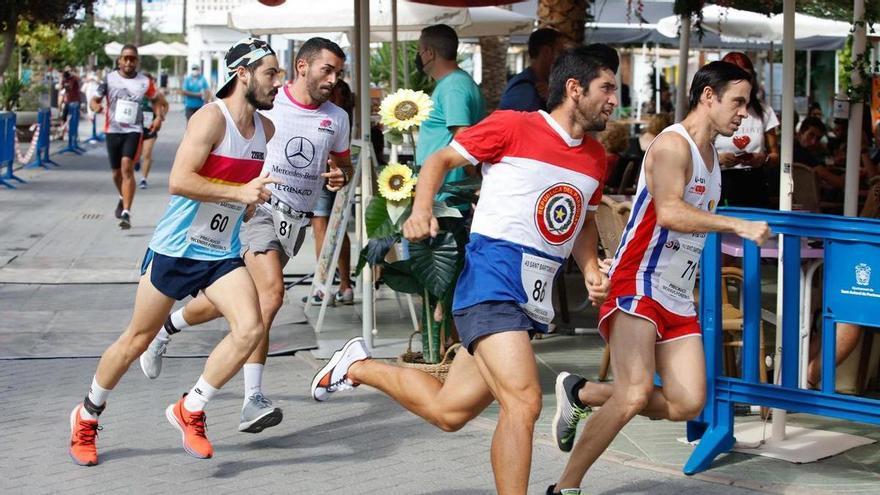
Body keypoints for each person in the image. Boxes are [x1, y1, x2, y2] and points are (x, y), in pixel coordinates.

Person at [312, 45, 620, 495]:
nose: (614, 98)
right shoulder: (513, 126)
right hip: (490, 282)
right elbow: (440, 159)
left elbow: (583, 219)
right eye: (606, 88)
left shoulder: (595, 157)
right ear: (574, 89)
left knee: (449, 412)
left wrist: (590, 265)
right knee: (524, 401)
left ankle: (357, 366)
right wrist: (421, 209)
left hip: (530, 300)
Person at [547, 61, 771, 495]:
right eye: (737, 101)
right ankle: (564, 488)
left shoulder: (712, 157)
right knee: (632, 395)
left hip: (676, 294)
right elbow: (669, 212)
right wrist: (737, 226)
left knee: (688, 401)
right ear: (708, 96)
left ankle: (584, 393)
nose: (744, 112)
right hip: (639, 282)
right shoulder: (673, 146)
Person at [68, 38, 282, 466]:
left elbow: (236, 192)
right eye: (271, 73)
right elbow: (180, 180)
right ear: (243, 75)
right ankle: (86, 416)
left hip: (219, 252)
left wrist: (253, 198)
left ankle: (192, 408)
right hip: (176, 249)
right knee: (135, 340)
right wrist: (240, 192)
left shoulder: (267, 130)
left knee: (251, 328)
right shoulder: (209, 119)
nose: (279, 82)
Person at [138, 37, 351, 434]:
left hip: (296, 222)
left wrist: (340, 177)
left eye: (339, 72)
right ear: (302, 67)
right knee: (270, 297)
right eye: (327, 70)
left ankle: (166, 329)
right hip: (259, 211)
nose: (334, 79)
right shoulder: (270, 101)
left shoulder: (337, 117)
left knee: (241, 305)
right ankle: (251, 399)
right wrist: (237, 193)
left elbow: (343, 166)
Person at [90, 45, 168, 229]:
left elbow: (156, 100)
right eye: (125, 58)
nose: (128, 62)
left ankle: (126, 212)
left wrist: (158, 117)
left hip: (133, 130)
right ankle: (122, 195)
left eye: (132, 59)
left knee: (127, 167)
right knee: (116, 173)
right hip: (112, 130)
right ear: (119, 60)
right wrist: (96, 107)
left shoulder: (145, 81)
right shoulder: (109, 79)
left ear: (137, 61)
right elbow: (94, 99)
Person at [414, 24, 486, 198]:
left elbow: (464, 138)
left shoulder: (453, 87)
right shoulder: (454, 83)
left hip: (447, 197)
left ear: (430, 53)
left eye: (420, 51)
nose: (418, 57)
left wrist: (475, 183)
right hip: (443, 192)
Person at [307, 79, 355, 304]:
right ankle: (345, 284)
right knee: (340, 226)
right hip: (344, 171)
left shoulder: (331, 113)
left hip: (324, 170)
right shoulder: (345, 113)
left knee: (322, 228)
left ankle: (321, 287)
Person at [714, 52, 779, 208]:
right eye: (735, 78)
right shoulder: (714, 111)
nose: (742, 83)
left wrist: (763, 159)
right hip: (721, 181)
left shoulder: (764, 112)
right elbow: (696, 153)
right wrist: (719, 159)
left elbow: (776, 156)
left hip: (755, 182)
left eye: (747, 77)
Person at [498, 28, 565, 112]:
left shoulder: (541, 86)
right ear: (546, 52)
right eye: (560, 52)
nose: (564, 58)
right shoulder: (523, 91)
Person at [138, 73, 165, 189]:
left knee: (147, 152)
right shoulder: (134, 93)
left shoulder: (155, 94)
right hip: (135, 127)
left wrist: (160, 116)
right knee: (137, 153)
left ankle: (143, 179)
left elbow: (165, 105)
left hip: (150, 127)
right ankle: (136, 161)